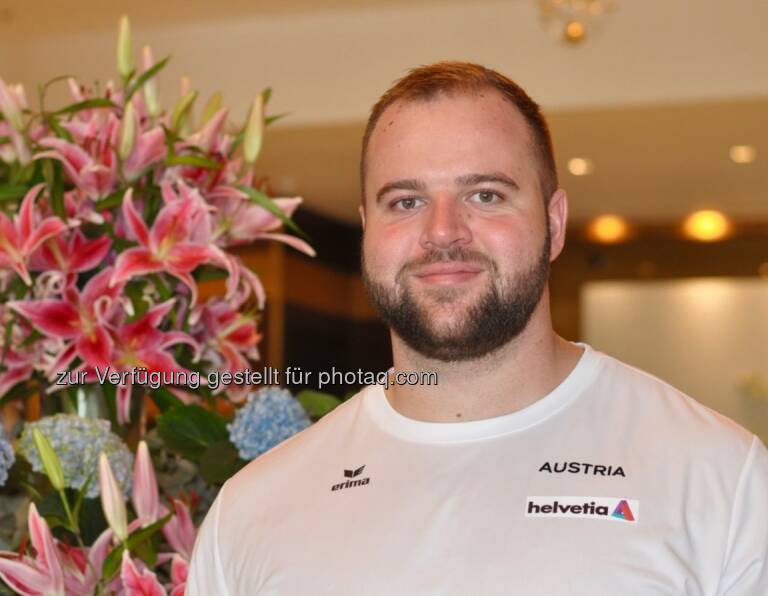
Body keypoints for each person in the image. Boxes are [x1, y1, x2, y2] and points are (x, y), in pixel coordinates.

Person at [185, 62, 768, 595]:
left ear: (554, 223)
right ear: (367, 231)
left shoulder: (719, 476)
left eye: (485, 195)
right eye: (405, 201)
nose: (443, 232)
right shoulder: (252, 511)